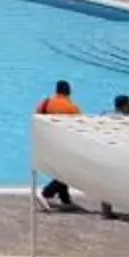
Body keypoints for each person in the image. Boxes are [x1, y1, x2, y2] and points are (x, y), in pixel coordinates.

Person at [37, 79, 84, 208]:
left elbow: (37, 120)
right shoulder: (72, 108)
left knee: (62, 171)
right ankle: (47, 193)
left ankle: (65, 199)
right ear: (69, 91)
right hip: (63, 144)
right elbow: (81, 127)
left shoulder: (45, 103)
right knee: (68, 173)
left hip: (47, 142)